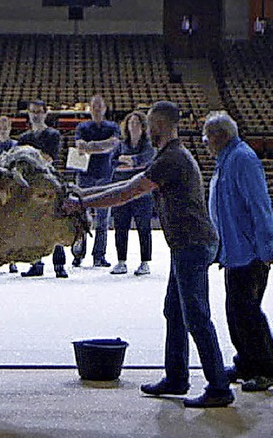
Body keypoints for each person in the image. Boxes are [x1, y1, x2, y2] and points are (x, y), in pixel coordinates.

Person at [63, 101, 234, 408]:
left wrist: (82, 202)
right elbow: (126, 184)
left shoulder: (173, 158)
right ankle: (177, 377)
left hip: (192, 245)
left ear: (163, 126)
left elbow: (128, 192)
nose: (148, 130)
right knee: (175, 312)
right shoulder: (170, 155)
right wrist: (82, 196)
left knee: (196, 316)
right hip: (186, 244)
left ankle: (219, 387)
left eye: (151, 125)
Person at [204, 111, 273, 392]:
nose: (205, 143)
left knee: (247, 312)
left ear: (220, 136)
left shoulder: (242, 159)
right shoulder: (227, 159)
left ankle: (266, 368)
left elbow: (260, 205)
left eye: (207, 138)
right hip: (234, 250)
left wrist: (267, 247)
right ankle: (246, 361)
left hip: (250, 252)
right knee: (236, 311)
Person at [18, 100, 68, 279]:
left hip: (49, 182)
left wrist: (29, 154)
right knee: (33, 224)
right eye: (33, 112)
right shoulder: (23, 138)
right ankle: (35, 263)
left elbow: (48, 158)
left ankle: (59, 264)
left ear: (45, 114)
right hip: (31, 185)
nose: (36, 115)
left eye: (39, 112)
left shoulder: (53, 135)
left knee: (54, 220)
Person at [74, 95, 121, 267]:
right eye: (94, 106)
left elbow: (113, 144)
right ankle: (78, 254)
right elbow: (80, 146)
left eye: (100, 106)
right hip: (84, 175)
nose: (97, 109)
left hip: (105, 174)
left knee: (103, 218)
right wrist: (101, 146)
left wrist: (90, 146)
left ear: (105, 108)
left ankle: (99, 255)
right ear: (90, 108)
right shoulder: (82, 126)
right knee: (81, 217)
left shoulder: (113, 126)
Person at [109, 111, 155, 276]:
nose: (133, 126)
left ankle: (145, 262)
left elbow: (147, 160)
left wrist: (130, 161)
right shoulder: (120, 145)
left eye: (137, 123)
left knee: (144, 227)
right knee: (121, 226)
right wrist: (134, 163)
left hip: (143, 193)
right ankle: (121, 261)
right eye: (131, 123)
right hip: (122, 190)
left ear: (143, 127)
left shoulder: (149, 145)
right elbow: (113, 163)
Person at [0, 116, 19, 273]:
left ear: (10, 129)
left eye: (5, 128)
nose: (3, 130)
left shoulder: (16, 145)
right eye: (0, 128)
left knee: (12, 226)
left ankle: (12, 260)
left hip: (11, 190)